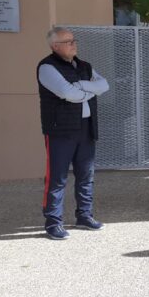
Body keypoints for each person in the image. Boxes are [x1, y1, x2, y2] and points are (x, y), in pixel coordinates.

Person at [37, 27, 110, 240]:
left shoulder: (84, 66)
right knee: (57, 178)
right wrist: (89, 91)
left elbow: (104, 85)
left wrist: (80, 85)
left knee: (86, 175)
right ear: (55, 46)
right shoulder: (47, 67)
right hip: (61, 131)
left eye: (73, 40)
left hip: (86, 128)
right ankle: (53, 223)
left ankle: (84, 215)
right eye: (68, 41)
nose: (73, 44)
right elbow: (67, 93)